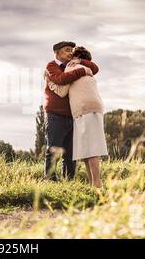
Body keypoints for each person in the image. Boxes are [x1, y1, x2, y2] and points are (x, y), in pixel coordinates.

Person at [45, 46, 108, 188]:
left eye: (70, 52)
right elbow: (94, 68)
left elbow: (62, 92)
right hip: (96, 108)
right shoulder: (87, 69)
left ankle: (97, 185)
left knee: (89, 148)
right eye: (66, 50)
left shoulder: (71, 67)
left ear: (75, 57)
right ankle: (93, 184)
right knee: (87, 148)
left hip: (83, 109)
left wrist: (51, 83)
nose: (69, 54)